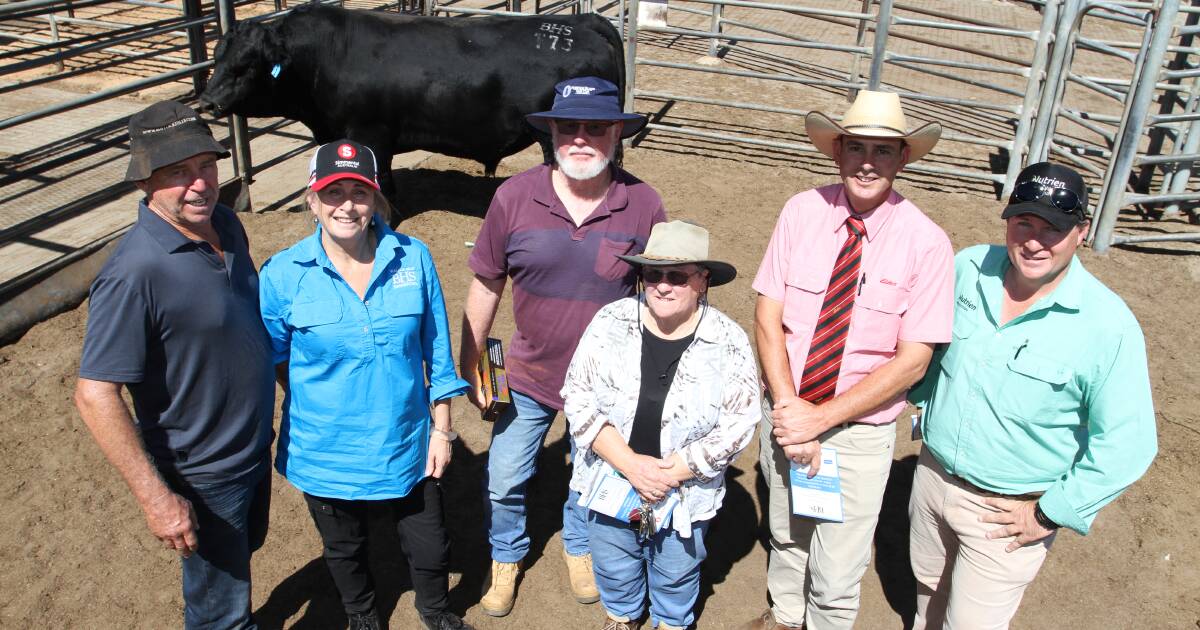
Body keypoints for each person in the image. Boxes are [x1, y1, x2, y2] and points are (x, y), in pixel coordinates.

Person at [905, 162, 1157, 629]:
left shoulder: (1107, 326)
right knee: (927, 595)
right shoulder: (969, 268)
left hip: (1008, 512)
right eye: (1024, 222)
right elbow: (931, 349)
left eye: (1054, 228)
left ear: (1081, 232)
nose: (1035, 240)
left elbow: (1128, 442)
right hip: (933, 475)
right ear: (1008, 220)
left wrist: (1050, 512)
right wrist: (920, 402)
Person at [742, 90, 955, 630]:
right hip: (788, 413)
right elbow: (769, 314)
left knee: (838, 566)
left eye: (882, 150)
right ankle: (787, 616)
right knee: (788, 533)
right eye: (855, 147)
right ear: (835, 151)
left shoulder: (927, 243)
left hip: (856, 431)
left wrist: (823, 418)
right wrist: (792, 410)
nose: (867, 161)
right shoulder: (801, 211)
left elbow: (913, 361)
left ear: (903, 158)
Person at [460, 75, 667, 617]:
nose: (581, 138)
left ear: (616, 134)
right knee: (504, 477)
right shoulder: (513, 197)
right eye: (568, 126)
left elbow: (664, 292)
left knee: (588, 475)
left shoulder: (643, 203)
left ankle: (580, 547)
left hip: (605, 386)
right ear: (550, 131)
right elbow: (486, 283)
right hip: (527, 374)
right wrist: (474, 366)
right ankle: (506, 556)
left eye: (595, 127)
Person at [73, 100, 275, 629]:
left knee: (239, 562)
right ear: (145, 182)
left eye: (206, 165)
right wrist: (157, 499)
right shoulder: (133, 273)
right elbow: (94, 394)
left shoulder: (226, 224)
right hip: (202, 472)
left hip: (251, 447)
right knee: (219, 613)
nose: (200, 184)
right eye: (177, 173)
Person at [258, 140, 473, 630]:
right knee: (344, 546)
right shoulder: (283, 275)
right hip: (326, 446)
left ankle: (435, 611)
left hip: (406, 440)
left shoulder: (412, 258)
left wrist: (441, 431)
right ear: (311, 200)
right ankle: (362, 615)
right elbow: (273, 357)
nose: (347, 205)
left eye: (359, 191)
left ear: (376, 199)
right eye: (333, 192)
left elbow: (436, 353)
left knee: (429, 543)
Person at [562, 220, 761, 630]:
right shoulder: (610, 321)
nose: (663, 286)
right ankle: (623, 617)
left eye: (677, 276)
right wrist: (633, 465)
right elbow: (577, 394)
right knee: (613, 561)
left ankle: (670, 622)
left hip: (683, 488)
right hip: (610, 475)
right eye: (652, 274)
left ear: (703, 281)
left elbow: (740, 421)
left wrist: (672, 472)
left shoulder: (728, 340)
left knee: (676, 571)